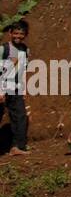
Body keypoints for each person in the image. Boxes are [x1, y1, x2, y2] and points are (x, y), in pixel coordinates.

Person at [0, 20, 30, 155]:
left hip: (16, 88)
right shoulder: (4, 49)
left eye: (21, 34)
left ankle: (17, 146)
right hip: (3, 87)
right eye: (15, 33)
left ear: (26, 35)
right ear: (10, 33)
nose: (18, 36)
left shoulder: (25, 50)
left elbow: (23, 70)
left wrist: (23, 89)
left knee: (20, 116)